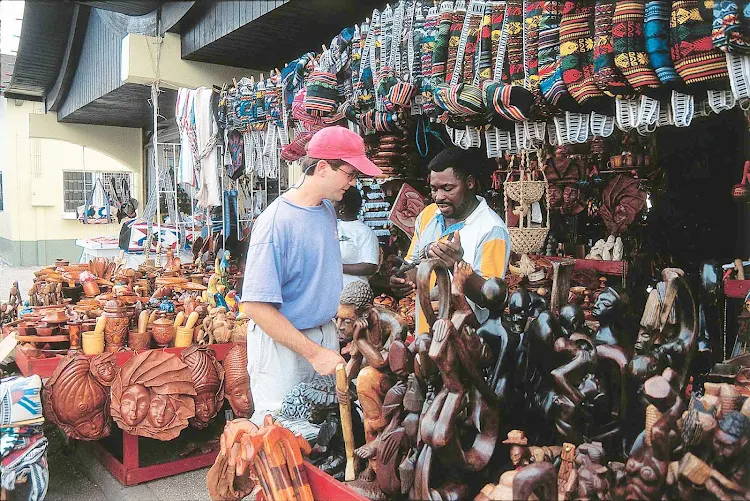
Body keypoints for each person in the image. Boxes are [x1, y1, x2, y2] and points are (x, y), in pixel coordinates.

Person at [239, 125, 382, 424]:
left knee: (320, 432)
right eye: (350, 174)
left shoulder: (326, 210)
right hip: (283, 346)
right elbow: (253, 306)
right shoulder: (276, 222)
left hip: (321, 336)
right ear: (323, 168)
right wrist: (313, 353)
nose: (353, 184)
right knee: (281, 434)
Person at [390, 147, 511, 335]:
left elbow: (490, 298)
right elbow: (413, 265)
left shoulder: (491, 229)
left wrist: (457, 266)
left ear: (470, 183)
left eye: (447, 188)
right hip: (425, 335)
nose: (439, 197)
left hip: (465, 340)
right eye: (434, 189)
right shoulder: (427, 215)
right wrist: (403, 279)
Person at [335, 186, 379, 287]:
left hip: (355, 293)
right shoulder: (333, 227)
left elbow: (370, 266)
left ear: (342, 206)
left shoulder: (365, 232)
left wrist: (338, 267)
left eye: (334, 202)